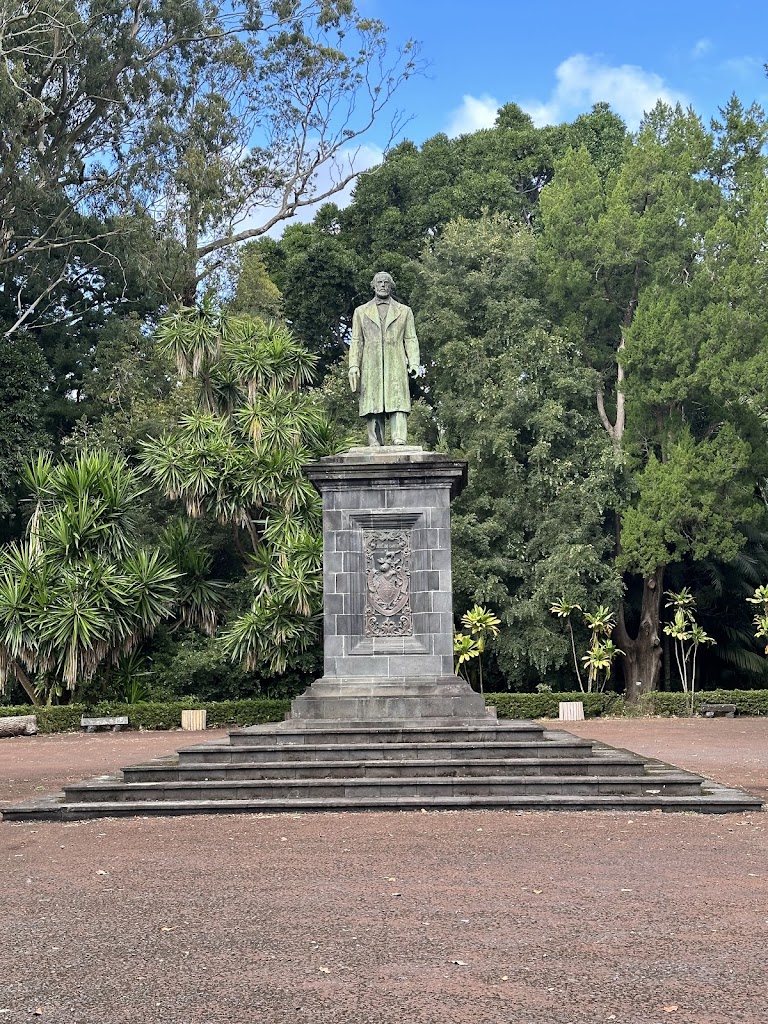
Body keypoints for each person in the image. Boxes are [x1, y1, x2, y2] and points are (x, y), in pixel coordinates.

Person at [348, 271, 420, 446]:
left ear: (391, 286)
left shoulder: (404, 311)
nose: (383, 285)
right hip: (371, 364)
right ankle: (375, 440)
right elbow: (356, 340)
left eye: (386, 282)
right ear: (373, 285)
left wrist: (414, 362)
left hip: (396, 362)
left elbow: (410, 338)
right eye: (379, 282)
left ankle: (399, 437)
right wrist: (353, 366)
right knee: (373, 402)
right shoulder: (360, 312)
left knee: (398, 402)